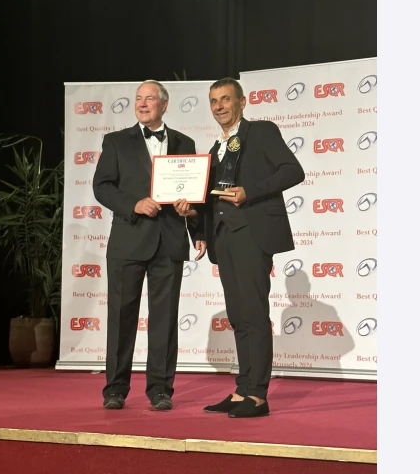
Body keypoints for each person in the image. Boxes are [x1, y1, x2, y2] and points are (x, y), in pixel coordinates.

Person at [173, 77, 304, 418]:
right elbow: (208, 202)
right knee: (238, 316)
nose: (219, 106)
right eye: (213, 101)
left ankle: (258, 395)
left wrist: (251, 191)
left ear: (242, 102)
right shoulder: (214, 150)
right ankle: (242, 389)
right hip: (224, 238)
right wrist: (195, 222)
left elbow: (294, 171)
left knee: (254, 314)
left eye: (225, 99)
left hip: (252, 234)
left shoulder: (260, 132)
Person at [93, 79, 207, 411]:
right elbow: (102, 186)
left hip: (169, 241)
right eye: (138, 99)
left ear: (164, 105)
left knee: (165, 319)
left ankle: (160, 389)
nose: (142, 104)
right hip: (128, 240)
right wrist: (134, 204)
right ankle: (115, 388)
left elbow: (193, 195)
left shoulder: (185, 143)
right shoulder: (116, 141)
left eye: (150, 99)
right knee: (121, 316)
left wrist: (197, 228)